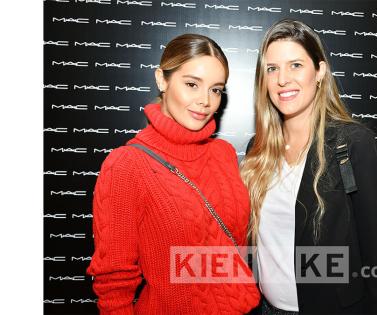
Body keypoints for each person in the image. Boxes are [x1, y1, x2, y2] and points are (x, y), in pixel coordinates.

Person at [86, 33, 260, 314]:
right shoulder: (126, 165)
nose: (205, 101)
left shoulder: (224, 154)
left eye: (216, 90)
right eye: (192, 84)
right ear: (162, 79)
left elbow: (232, 250)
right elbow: (114, 284)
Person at [240, 19, 377, 314]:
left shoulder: (353, 145)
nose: (282, 79)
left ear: (320, 71)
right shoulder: (257, 150)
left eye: (296, 65)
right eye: (272, 69)